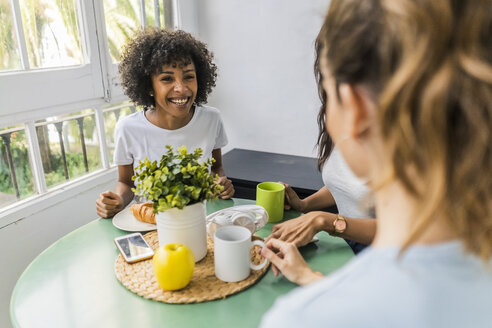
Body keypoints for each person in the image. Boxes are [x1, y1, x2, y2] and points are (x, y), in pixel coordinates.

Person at [261, 0, 492, 326]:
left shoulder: (304, 319)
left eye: (328, 88)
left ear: (354, 107)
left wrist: (319, 278)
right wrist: (305, 207)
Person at [96, 28, 234, 218]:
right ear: (148, 86)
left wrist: (220, 183)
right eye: (167, 79)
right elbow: (126, 183)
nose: (181, 88)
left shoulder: (211, 119)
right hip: (148, 222)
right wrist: (117, 200)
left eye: (188, 76)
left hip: (198, 217)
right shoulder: (128, 129)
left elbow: (216, 167)